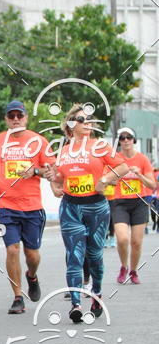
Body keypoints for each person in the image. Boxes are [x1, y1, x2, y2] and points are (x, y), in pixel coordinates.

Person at [49, 104, 128, 323]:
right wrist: (54, 186)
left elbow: (122, 167)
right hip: (70, 206)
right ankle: (75, 304)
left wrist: (105, 179)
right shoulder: (63, 151)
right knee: (74, 256)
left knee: (94, 256)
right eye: (82, 119)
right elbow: (57, 178)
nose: (88, 123)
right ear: (71, 125)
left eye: (90, 119)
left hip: (96, 207)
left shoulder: (100, 146)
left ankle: (97, 294)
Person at [0, 100, 55, 314]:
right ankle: (18, 297)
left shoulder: (39, 141)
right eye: (11, 116)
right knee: (12, 249)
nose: (15, 119)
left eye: (19, 115)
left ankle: (31, 276)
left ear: (26, 117)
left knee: (32, 255)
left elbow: (51, 170)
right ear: (6, 119)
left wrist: (35, 171)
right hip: (6, 204)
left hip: (32, 206)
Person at [110, 128, 155, 284]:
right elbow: (107, 180)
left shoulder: (142, 159)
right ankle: (124, 266)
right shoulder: (115, 159)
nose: (126, 140)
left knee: (136, 242)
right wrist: (118, 176)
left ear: (134, 140)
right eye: (122, 138)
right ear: (119, 141)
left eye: (129, 137)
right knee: (122, 238)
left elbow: (152, 184)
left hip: (139, 202)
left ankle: (133, 271)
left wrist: (139, 175)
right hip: (120, 202)